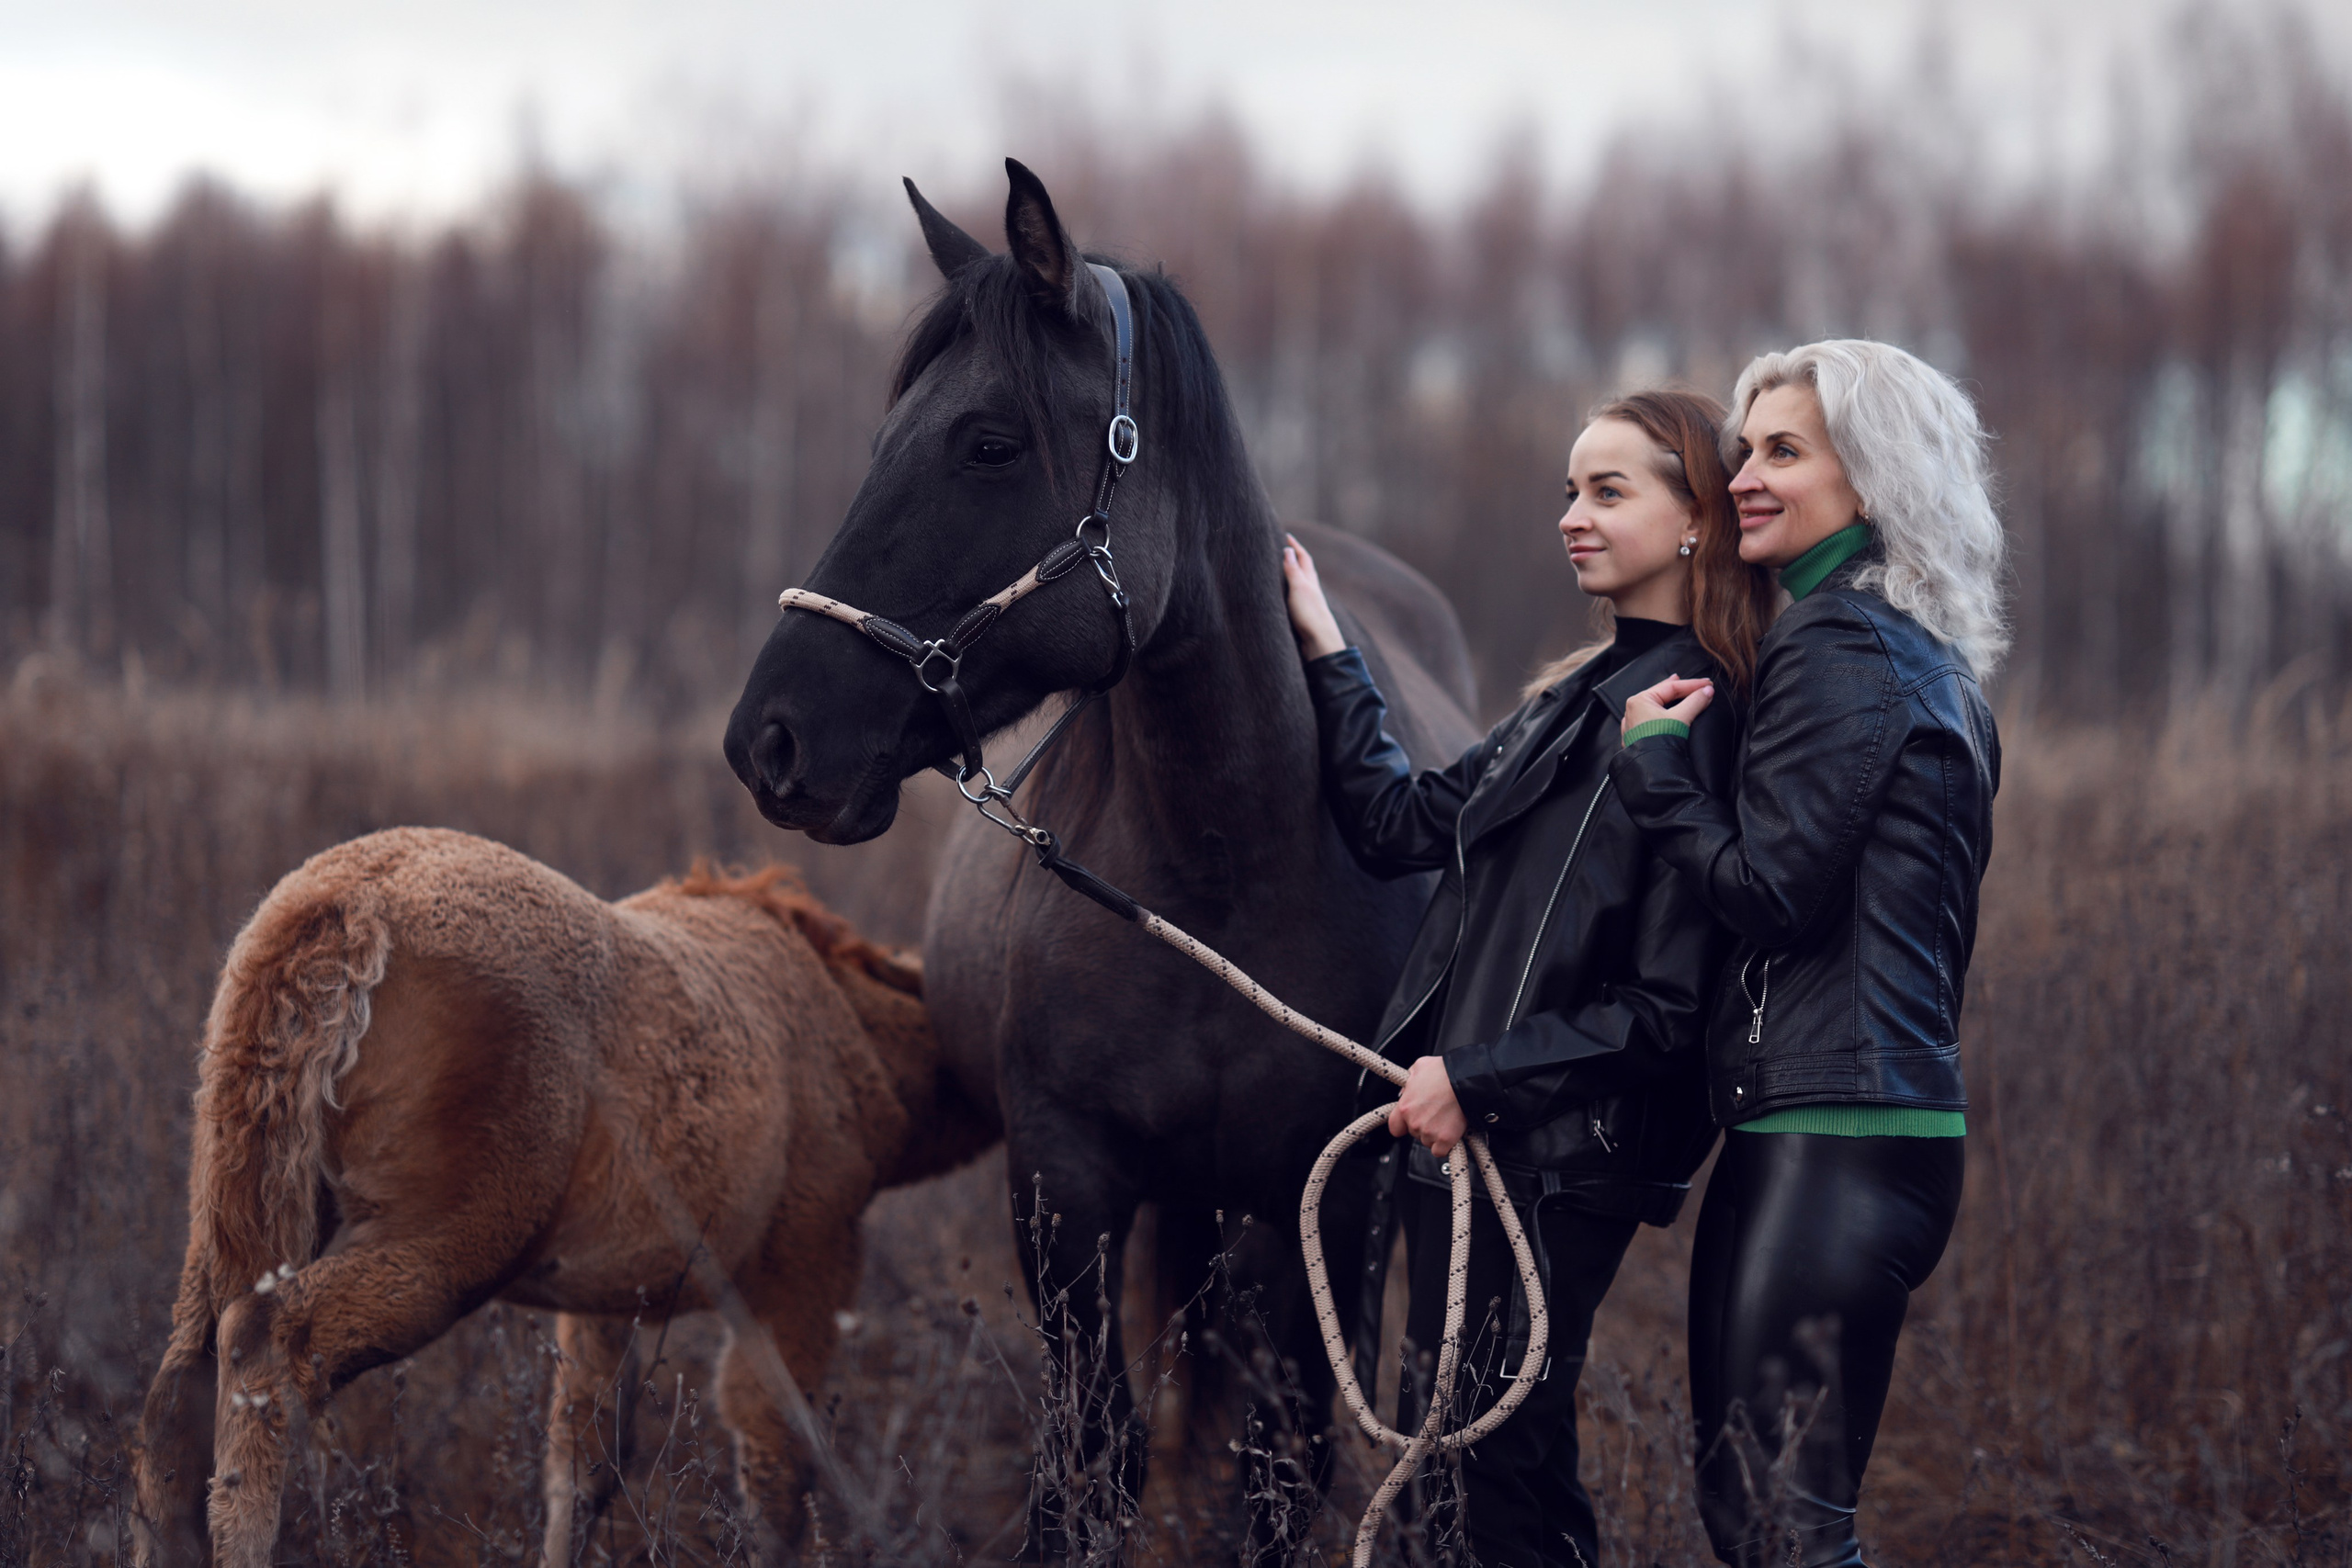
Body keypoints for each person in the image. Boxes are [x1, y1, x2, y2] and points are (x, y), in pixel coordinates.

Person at [1283, 389, 1776, 1568]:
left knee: (1502, 1461)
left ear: (1698, 519)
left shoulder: (1694, 718)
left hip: (1559, 1157)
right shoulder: (1567, 703)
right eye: (1569, 490)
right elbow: (1403, 822)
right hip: (1467, 1137)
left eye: (1609, 492)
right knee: (1443, 1463)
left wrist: (1479, 1080)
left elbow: (1667, 1012)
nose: (1572, 515)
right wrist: (1326, 642)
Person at [1611, 340, 2006, 1567]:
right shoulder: (1918, 655)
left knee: (1784, 1526)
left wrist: (1659, 777)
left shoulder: (1837, 646)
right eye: (1747, 450)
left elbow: (1771, 890)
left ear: (1874, 478)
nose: (1746, 477)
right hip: (1859, 1130)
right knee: (1770, 1520)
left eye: (1788, 450)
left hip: (1835, 1137)